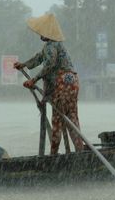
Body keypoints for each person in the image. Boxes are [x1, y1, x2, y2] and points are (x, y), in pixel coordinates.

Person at [13, 13, 84, 155]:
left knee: (57, 119)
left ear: (47, 33)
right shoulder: (54, 45)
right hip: (72, 81)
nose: (40, 35)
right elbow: (39, 58)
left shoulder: (51, 46)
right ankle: (80, 151)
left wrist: (34, 80)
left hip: (62, 82)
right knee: (71, 117)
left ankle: (53, 155)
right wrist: (24, 65)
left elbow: (49, 65)